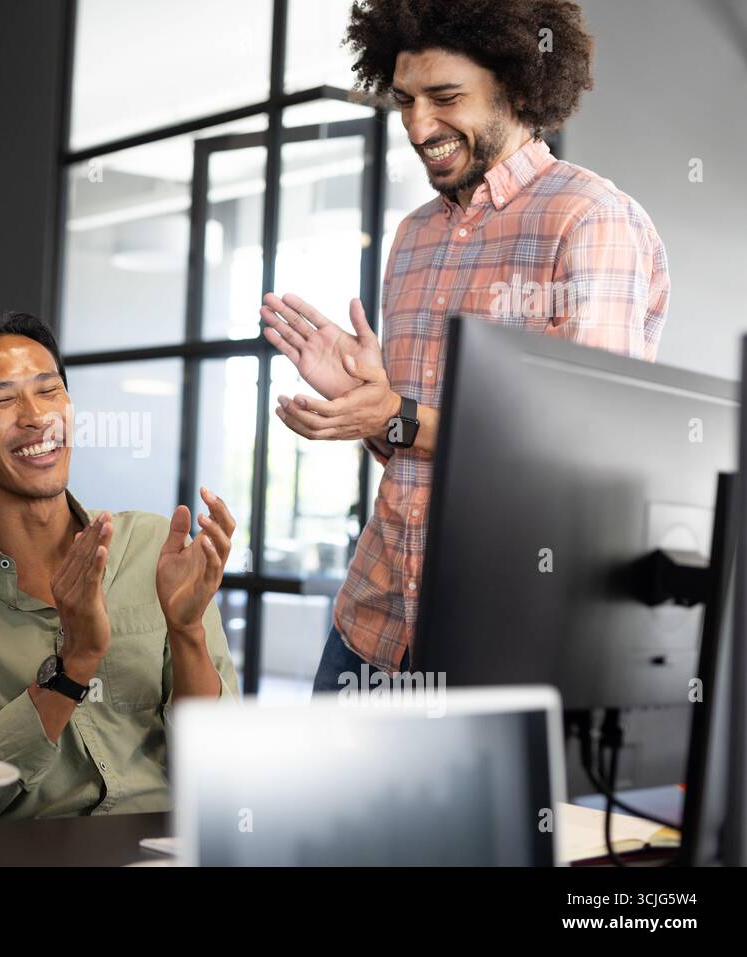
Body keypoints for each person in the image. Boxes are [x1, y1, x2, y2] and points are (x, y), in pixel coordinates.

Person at [257, 0, 669, 691]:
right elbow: (407, 451)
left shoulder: (587, 220)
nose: (419, 126)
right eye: (406, 101)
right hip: (374, 625)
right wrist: (371, 402)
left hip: (501, 638)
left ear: (513, 85)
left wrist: (398, 413)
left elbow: (581, 455)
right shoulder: (414, 237)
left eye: (446, 98)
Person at [0, 312, 239, 822]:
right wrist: (74, 666)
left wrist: (187, 632)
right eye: (2, 400)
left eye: (50, 391)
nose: (36, 416)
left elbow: (221, 769)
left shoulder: (156, 547)